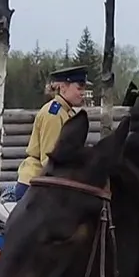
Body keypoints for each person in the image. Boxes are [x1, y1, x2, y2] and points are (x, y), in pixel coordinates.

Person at [15, 65, 89, 200]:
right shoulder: (53, 114)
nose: (83, 92)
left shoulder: (67, 112)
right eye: (79, 88)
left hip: (45, 183)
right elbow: (48, 159)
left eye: (84, 88)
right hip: (35, 184)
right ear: (63, 87)